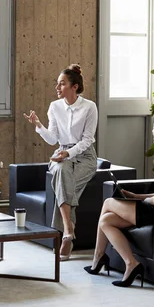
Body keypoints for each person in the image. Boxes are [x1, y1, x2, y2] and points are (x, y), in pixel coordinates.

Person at [84, 111, 154, 288]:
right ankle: (131, 264)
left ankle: (98, 256)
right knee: (106, 221)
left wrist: (139, 203)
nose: (152, 132)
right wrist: (135, 197)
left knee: (108, 203)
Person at [23, 63, 98, 261]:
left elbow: (87, 140)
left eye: (62, 84)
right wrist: (38, 125)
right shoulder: (54, 107)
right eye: (57, 84)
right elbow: (52, 138)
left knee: (64, 181)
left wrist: (69, 154)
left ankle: (65, 233)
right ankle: (67, 232)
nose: (57, 88)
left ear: (74, 87)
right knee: (62, 171)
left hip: (85, 156)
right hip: (61, 153)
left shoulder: (90, 107)